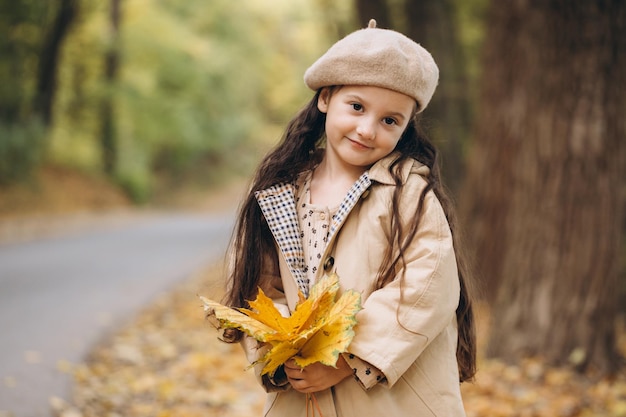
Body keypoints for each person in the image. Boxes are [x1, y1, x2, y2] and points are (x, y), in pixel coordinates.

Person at [222, 19, 476, 417]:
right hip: (304, 399)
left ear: (406, 128)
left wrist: (346, 357)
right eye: (356, 107)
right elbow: (260, 284)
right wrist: (285, 352)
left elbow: (427, 285)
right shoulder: (282, 190)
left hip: (392, 402)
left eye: (390, 120)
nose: (367, 129)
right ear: (325, 98)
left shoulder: (408, 194)